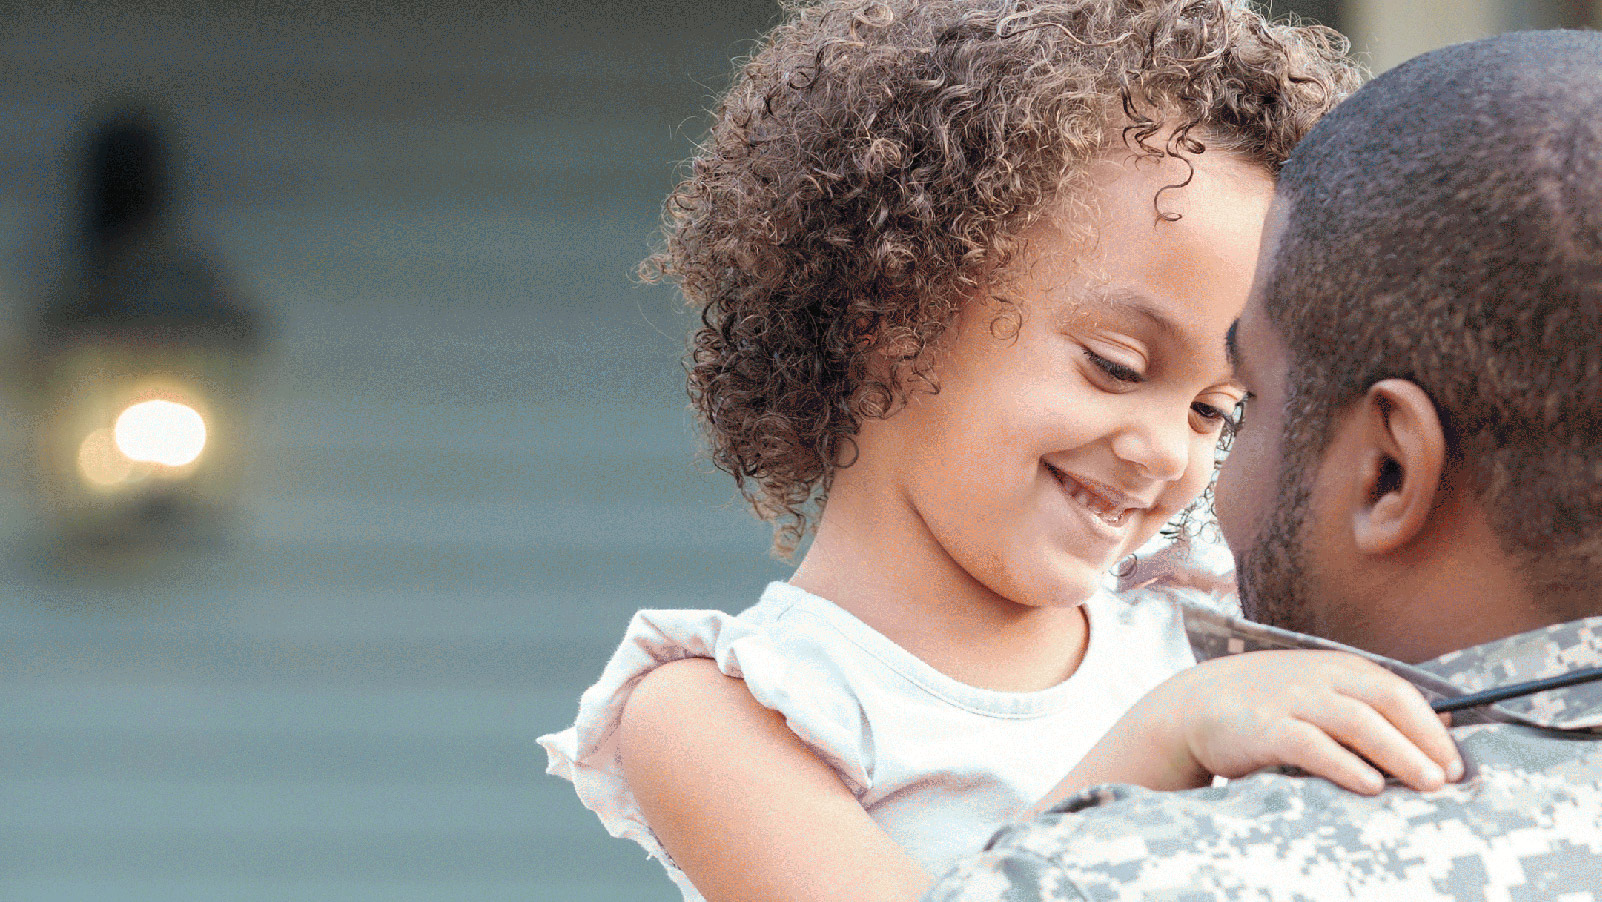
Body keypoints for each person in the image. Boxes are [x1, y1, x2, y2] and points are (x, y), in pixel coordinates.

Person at [539, 3, 1463, 901]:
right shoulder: (721, 717)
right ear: (894, 306)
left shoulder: (1206, 633)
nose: (1161, 452)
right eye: (1115, 366)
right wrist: (1166, 741)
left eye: (1217, 411)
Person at [923, 29, 1602, 902]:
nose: (1177, 461)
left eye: (1238, 409)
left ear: (1388, 472)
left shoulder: (1108, 880)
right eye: (1119, 368)